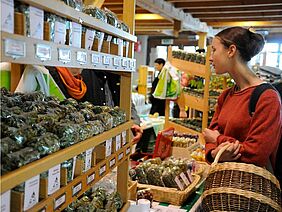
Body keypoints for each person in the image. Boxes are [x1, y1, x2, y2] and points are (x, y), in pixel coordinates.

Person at [203, 27, 281, 171]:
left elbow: (257, 153)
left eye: (214, 50)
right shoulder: (225, 96)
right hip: (223, 180)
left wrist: (218, 139)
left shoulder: (267, 97)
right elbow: (209, 136)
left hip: (252, 187)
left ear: (231, 51)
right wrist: (215, 153)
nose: (210, 57)